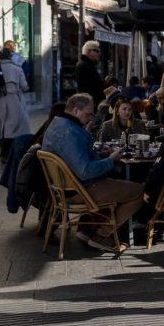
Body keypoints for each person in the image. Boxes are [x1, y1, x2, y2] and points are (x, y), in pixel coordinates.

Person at [41, 93, 143, 252]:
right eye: (88, 114)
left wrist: (100, 155)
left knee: (116, 182)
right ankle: (102, 235)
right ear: (75, 111)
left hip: (63, 190)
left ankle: (87, 230)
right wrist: (111, 160)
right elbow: (85, 171)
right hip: (81, 191)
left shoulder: (56, 124)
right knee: (140, 192)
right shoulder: (72, 132)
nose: (90, 118)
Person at [0, 47, 30, 162]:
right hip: (14, 101)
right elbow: (24, 86)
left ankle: (3, 152)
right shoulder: (17, 69)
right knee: (12, 128)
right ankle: (8, 153)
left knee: (1, 127)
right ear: (10, 56)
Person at [75, 40, 104, 105]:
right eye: (97, 51)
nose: (99, 53)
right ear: (89, 51)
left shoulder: (89, 65)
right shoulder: (83, 66)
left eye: (99, 51)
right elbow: (84, 89)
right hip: (89, 104)